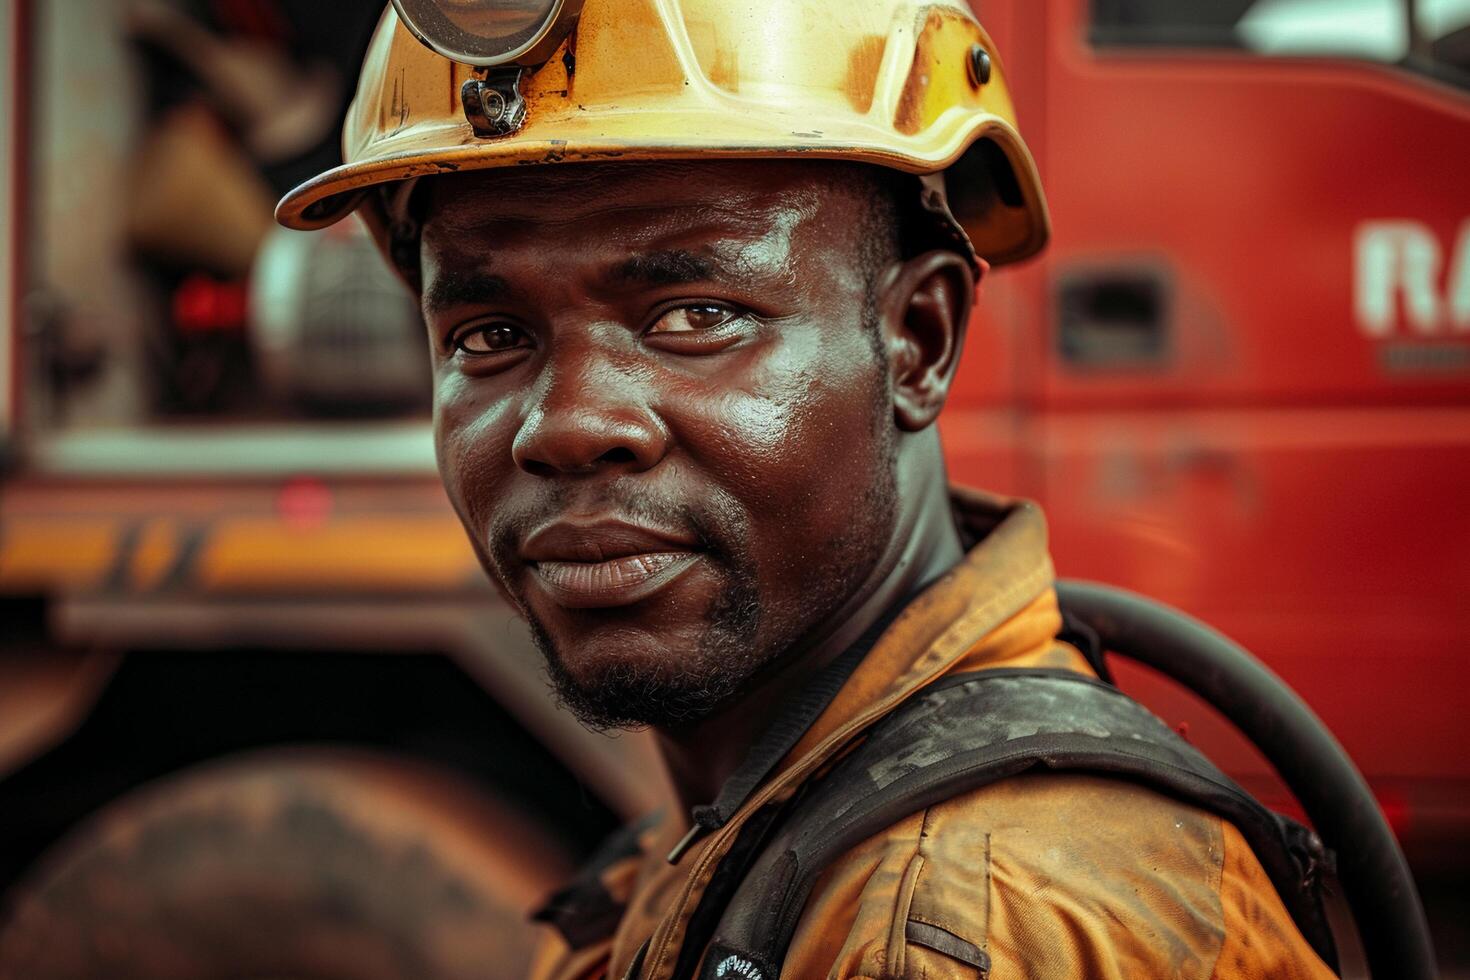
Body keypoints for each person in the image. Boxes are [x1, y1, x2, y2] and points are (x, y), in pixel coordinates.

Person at [277, 1, 1340, 976]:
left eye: (695, 315)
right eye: (490, 335)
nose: (567, 426)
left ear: (917, 342)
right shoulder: (749, 818)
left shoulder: (952, 923)